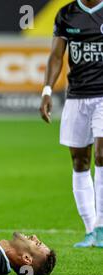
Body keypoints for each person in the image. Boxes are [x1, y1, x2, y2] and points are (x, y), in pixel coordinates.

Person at [39, 0, 103, 248]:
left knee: (101, 154)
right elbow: (56, 56)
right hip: (77, 96)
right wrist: (46, 90)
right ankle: (90, 229)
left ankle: (101, 226)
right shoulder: (66, 14)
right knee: (79, 160)